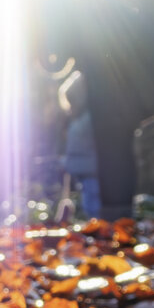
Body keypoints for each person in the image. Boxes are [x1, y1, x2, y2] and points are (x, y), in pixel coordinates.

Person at [58, 70, 102, 218]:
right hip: (82, 169)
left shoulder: (88, 119)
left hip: (90, 169)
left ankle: (98, 227)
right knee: (88, 202)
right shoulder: (78, 119)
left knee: (93, 204)